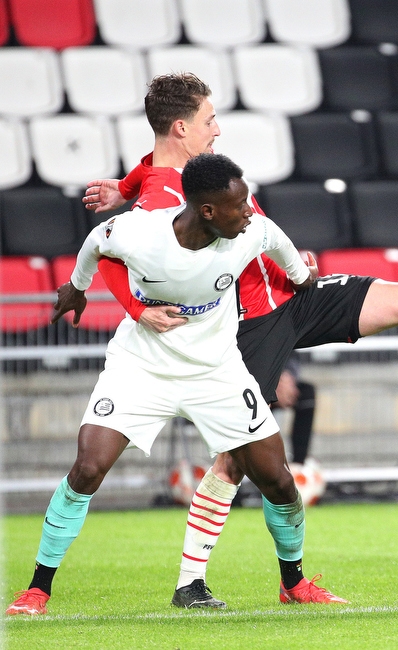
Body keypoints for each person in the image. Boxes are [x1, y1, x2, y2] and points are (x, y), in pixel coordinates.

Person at [81, 73, 398, 608]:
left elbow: (150, 169)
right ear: (181, 126)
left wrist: (118, 188)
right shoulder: (162, 197)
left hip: (294, 295)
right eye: (209, 119)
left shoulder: (170, 173)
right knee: (234, 461)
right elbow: (113, 249)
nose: (217, 129)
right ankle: (191, 582)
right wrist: (139, 307)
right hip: (249, 325)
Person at [6, 153, 349, 617]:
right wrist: (77, 286)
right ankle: (37, 590)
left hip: (217, 371)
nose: (250, 211)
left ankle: (293, 582)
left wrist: (305, 276)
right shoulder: (139, 232)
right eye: (240, 204)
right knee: (88, 467)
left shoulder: (253, 232)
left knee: (280, 482)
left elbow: (288, 255)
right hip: (141, 367)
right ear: (207, 210)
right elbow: (95, 241)